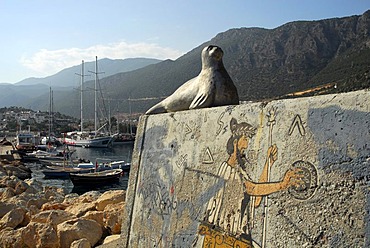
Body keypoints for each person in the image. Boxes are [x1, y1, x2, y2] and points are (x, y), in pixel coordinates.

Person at [199, 118, 303, 248]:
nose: (246, 146)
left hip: (236, 240)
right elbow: (252, 188)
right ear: (236, 143)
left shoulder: (240, 173)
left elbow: (256, 199)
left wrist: (268, 164)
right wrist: (281, 185)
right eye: (245, 140)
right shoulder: (227, 171)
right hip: (223, 240)